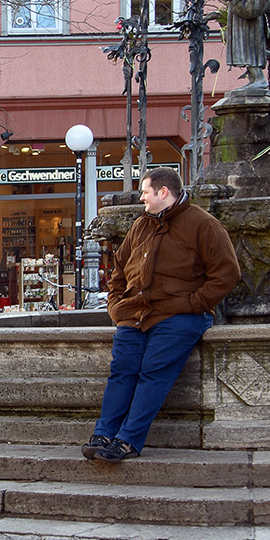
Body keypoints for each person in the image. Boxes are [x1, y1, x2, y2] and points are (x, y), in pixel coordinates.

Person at [83, 167, 240, 462]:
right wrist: (117, 306)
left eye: (145, 192)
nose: (142, 197)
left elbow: (227, 274)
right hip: (135, 314)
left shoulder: (203, 225)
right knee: (121, 372)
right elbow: (118, 270)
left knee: (153, 373)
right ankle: (104, 433)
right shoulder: (141, 225)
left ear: (163, 192)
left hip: (179, 315)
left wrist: (194, 304)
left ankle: (128, 441)